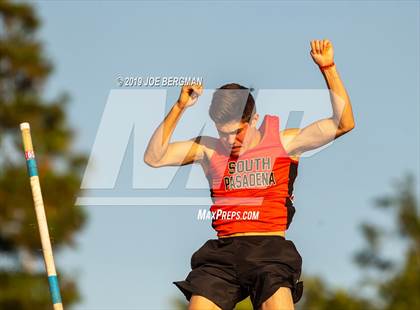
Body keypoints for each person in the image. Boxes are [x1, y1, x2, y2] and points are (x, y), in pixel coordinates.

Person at [144, 39, 355, 310]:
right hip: (223, 254)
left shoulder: (285, 142)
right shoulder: (208, 149)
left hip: (269, 252)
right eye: (223, 132)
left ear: (254, 120)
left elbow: (344, 123)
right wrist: (179, 106)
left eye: (237, 132)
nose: (230, 140)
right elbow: (154, 157)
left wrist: (328, 68)